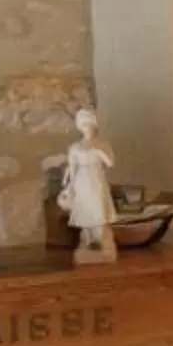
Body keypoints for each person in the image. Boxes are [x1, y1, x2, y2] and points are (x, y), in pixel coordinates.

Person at [58, 104, 118, 262]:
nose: (87, 128)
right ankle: (88, 239)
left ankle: (102, 240)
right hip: (82, 180)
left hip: (97, 177)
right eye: (83, 124)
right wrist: (68, 186)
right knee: (85, 209)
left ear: (94, 124)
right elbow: (71, 168)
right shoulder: (75, 147)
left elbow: (110, 163)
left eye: (89, 124)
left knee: (99, 208)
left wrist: (98, 151)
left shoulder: (103, 144)